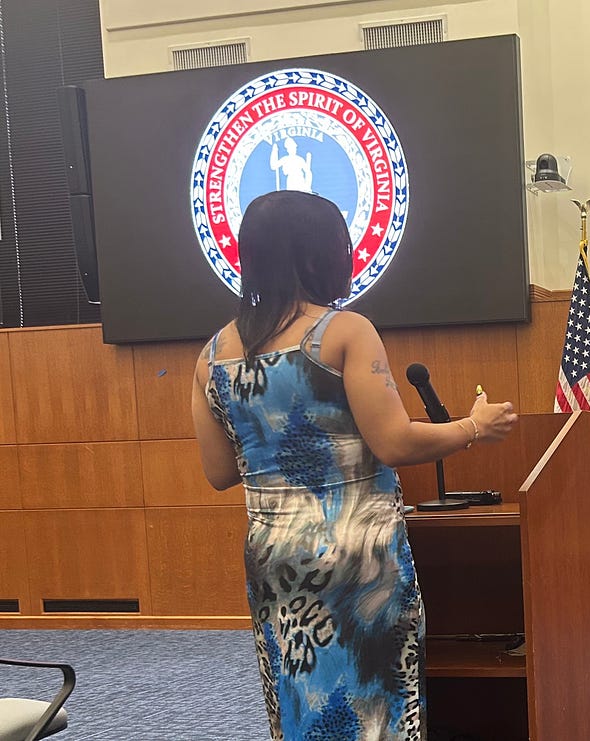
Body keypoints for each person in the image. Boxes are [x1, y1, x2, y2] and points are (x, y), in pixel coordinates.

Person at [189, 190, 518, 740]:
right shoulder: (343, 331)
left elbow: (219, 472)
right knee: (377, 704)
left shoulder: (211, 355)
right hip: (358, 555)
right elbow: (393, 442)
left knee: (298, 699)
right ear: (318, 255)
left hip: (274, 555)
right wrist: (473, 428)